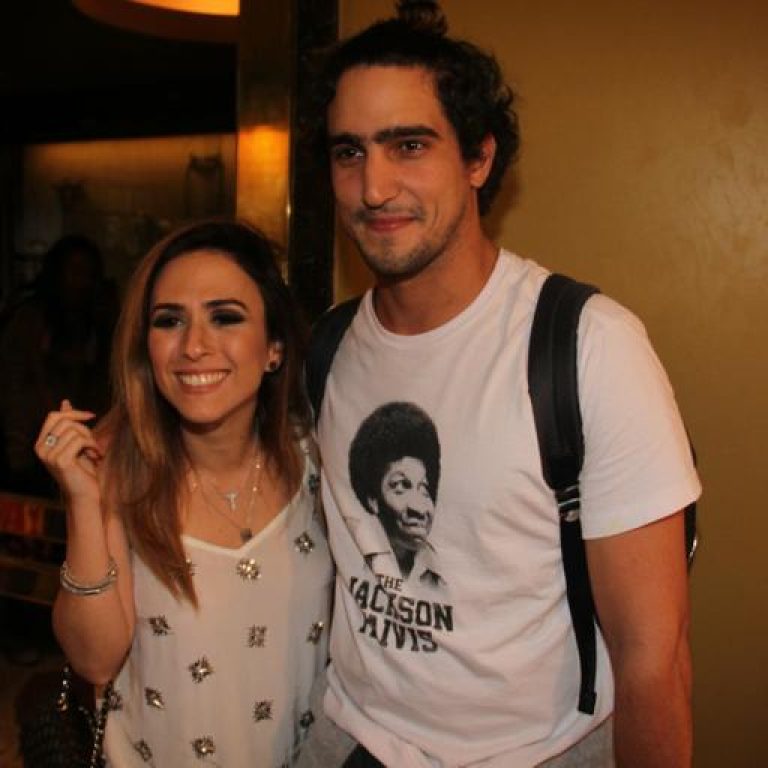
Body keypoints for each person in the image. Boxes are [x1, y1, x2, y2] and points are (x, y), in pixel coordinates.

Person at [301, 2, 701, 766]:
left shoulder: (587, 347)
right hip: (351, 739)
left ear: (478, 158)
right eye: (349, 152)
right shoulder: (329, 345)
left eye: (408, 145)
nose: (373, 186)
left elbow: (655, 661)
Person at [35, 220, 332, 766]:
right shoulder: (119, 473)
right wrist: (82, 499)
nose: (194, 346)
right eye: (169, 321)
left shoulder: (319, 456)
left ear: (274, 348)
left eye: (225, 317)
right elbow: (94, 661)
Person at [1, 234, 117, 496]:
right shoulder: (29, 321)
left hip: (83, 450)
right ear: (57, 274)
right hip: (27, 452)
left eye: (88, 274)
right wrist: (18, 455)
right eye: (75, 272)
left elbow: (103, 390)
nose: (81, 282)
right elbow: (12, 387)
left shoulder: (97, 326)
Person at [348, 401, 443, 587]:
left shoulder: (441, 578)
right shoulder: (355, 556)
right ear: (372, 500)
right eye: (401, 487)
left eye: (424, 489)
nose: (419, 509)